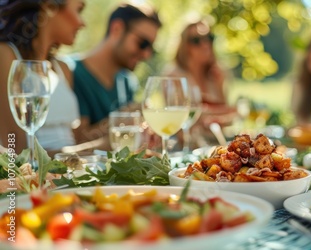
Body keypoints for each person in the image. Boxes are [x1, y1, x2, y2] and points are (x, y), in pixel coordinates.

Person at [0, 0, 86, 153]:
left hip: (69, 173)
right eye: (79, 10)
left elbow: (74, 141)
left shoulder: (62, 68)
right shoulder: (5, 56)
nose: (83, 23)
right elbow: (16, 152)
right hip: (32, 176)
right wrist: (96, 148)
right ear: (49, 7)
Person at [72, 3, 161, 144]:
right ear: (117, 29)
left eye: (151, 48)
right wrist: (124, 117)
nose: (146, 54)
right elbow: (75, 142)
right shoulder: (71, 73)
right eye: (142, 43)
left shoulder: (127, 82)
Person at [165, 21, 236, 147]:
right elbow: (179, 119)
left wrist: (220, 87)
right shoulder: (173, 76)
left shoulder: (215, 74)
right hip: (187, 146)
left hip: (215, 143)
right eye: (196, 40)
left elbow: (228, 121)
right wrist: (217, 113)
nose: (205, 44)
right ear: (184, 45)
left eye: (209, 38)